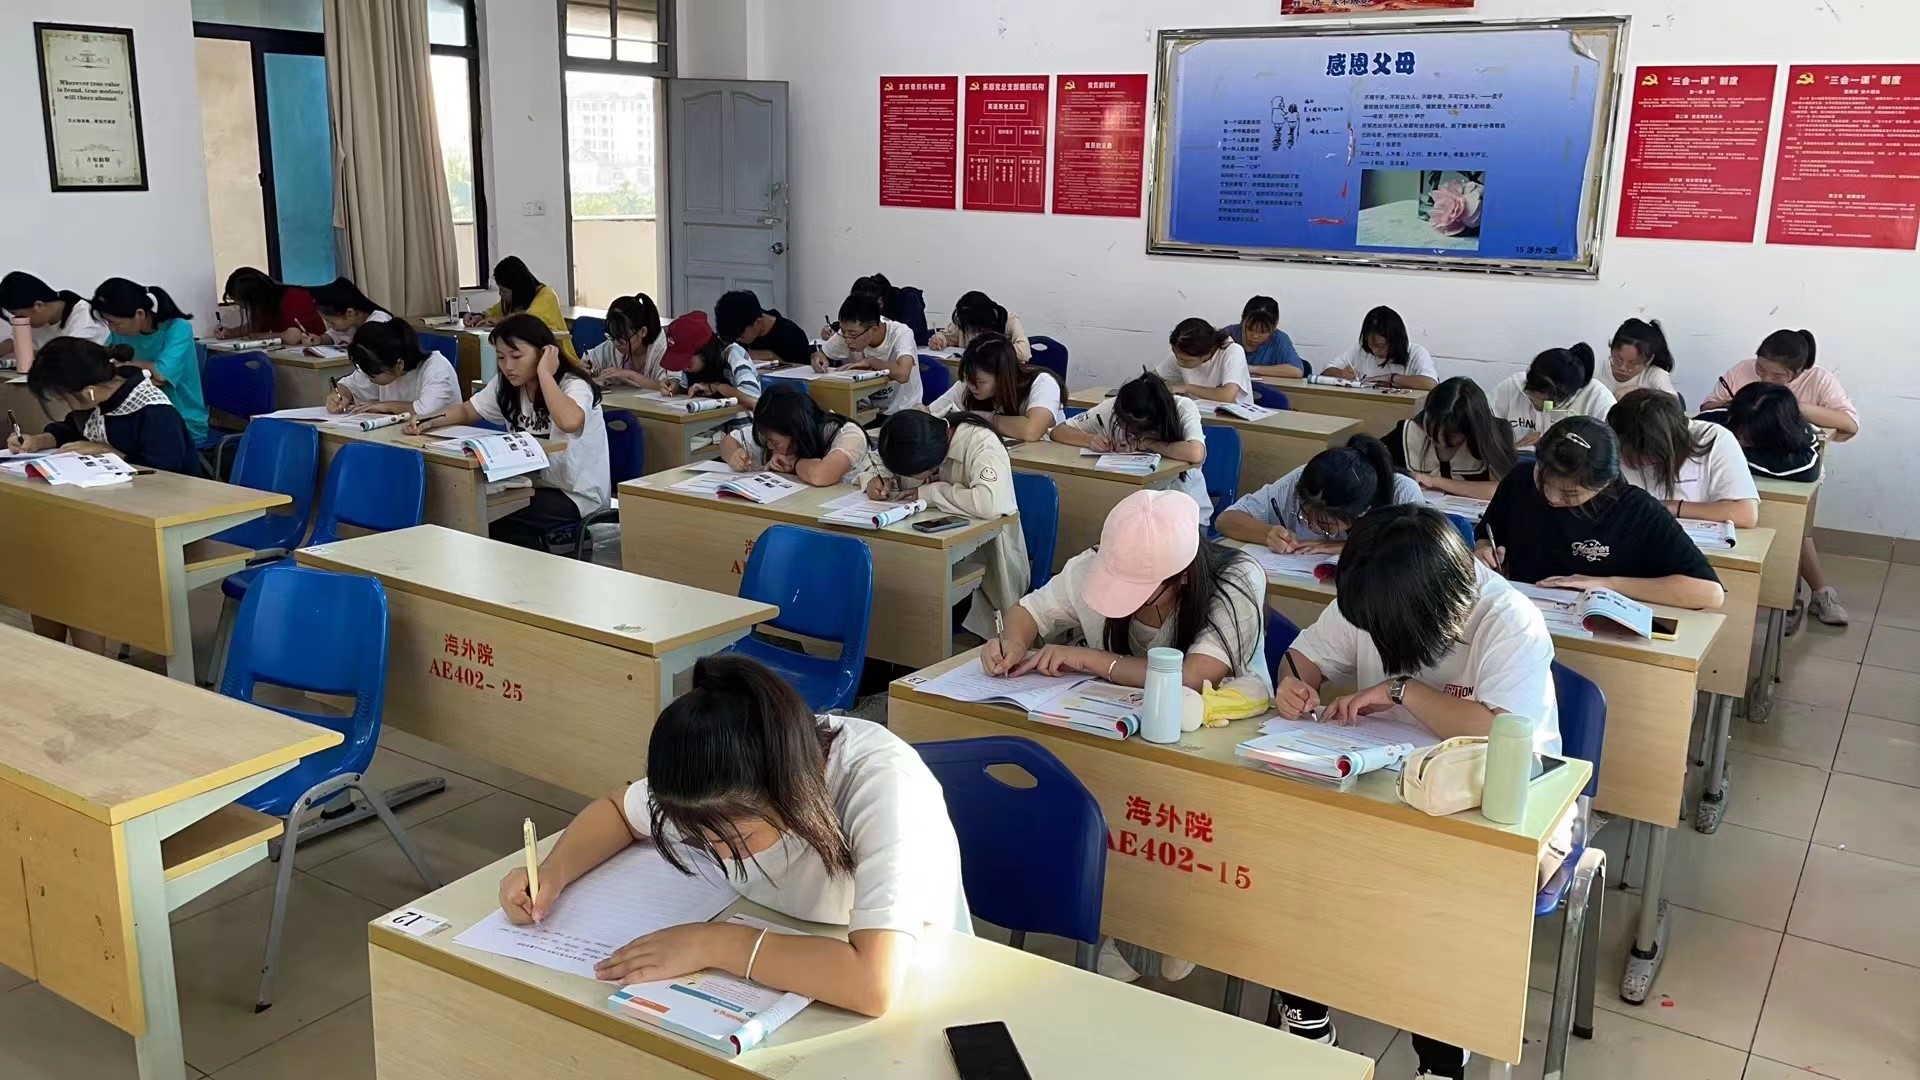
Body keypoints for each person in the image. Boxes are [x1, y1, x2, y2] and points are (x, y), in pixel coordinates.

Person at [497, 653, 968, 1018]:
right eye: (700, 841)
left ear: (789, 791)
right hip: (785, 944)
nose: (720, 855)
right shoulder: (711, 782)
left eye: (737, 840)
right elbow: (618, 810)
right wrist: (554, 872)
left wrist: (712, 944)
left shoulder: (882, 785)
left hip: (914, 977)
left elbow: (873, 984)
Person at [1269, 509, 1564, 1079]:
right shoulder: (1377, 588)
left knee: (1438, 889)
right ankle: (1305, 1008)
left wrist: (1402, 690)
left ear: (1429, 607)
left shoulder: (1508, 620)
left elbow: (1499, 732)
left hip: (1495, 800)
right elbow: (1303, 658)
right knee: (1294, 846)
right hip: (1386, 780)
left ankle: (1441, 1054)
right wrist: (1293, 683)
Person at [983, 488, 1268, 985]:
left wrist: (1090, 659)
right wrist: (1010, 641)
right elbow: (1030, 612)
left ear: (1182, 576)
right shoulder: (1090, 566)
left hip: (1209, 744)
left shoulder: (1237, 579)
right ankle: (1125, 916)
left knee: (1161, 833)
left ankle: (1161, 924)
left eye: (1141, 591)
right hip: (1117, 735)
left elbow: (1195, 675)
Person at [10, 337, 202, 654]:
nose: (64, 405)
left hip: (165, 522)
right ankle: (52, 654)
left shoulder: (153, 411)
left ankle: (88, 661)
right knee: (46, 558)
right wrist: (36, 441)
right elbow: (69, 429)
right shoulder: (98, 402)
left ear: (86, 392)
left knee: (75, 566)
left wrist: (108, 452)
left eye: (62, 397)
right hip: (115, 510)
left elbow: (165, 477)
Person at [1477, 417, 1724, 610]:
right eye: (1543, 482)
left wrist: (1608, 584)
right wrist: (1485, 552)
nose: (1552, 497)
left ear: (1603, 484)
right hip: (1521, 614)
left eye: (1570, 494)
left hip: (1597, 632)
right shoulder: (1519, 480)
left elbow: (1709, 593)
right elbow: (1486, 535)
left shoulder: (1636, 510)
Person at [406, 314, 608, 549]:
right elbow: (467, 411)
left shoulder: (573, 384)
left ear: (544, 353)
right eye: (501, 357)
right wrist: (430, 420)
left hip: (575, 494)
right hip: (528, 485)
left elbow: (569, 421)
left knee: (495, 518)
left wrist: (545, 374)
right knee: (469, 506)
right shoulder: (507, 385)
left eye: (516, 356)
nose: (508, 366)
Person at [1700, 329, 1857, 624]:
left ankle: (1814, 593)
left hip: (1786, 462)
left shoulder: (1819, 379)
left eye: (1777, 375)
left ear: (1798, 372)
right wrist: (1746, 408)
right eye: (1761, 369)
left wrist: (1788, 407)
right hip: (1744, 458)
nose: (1764, 377)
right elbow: (1708, 408)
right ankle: (1759, 594)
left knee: (1789, 525)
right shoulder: (1743, 370)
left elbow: (1849, 425)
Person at [869, 410, 1029, 638]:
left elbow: (989, 503)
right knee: (891, 585)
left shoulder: (982, 443)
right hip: (930, 548)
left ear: (932, 463)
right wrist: (876, 480)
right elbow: (875, 460)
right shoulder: (926, 433)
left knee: (916, 598)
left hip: (986, 558)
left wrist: (932, 493)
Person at [1215, 434, 1422, 555]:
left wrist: (1345, 547)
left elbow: (1418, 553)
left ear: (1360, 512)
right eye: (1305, 514)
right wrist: (1267, 533)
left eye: (1325, 525)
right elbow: (1226, 520)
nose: (1313, 527)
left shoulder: (1402, 493)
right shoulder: (1304, 481)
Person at [1049, 371, 1209, 513]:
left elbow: (1195, 453)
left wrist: (1147, 444)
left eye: (1137, 429)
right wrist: (1090, 440)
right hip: (1127, 504)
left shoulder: (1181, 407)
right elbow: (1059, 431)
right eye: (1122, 423)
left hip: (1182, 507)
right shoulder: (1114, 407)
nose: (1128, 431)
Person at [1608, 389, 1759, 527]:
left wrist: (1669, 507)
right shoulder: (1616, 439)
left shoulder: (1714, 438)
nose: (1639, 462)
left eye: (1646, 454)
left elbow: (1745, 513)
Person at [92, 278, 207, 446]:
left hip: (180, 420)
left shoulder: (178, 328)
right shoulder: (120, 333)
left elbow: (161, 374)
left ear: (139, 314)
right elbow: (103, 361)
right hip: (137, 416)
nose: (111, 328)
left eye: (115, 323)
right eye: (108, 322)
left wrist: (125, 366)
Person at [1388, 376, 1516, 500]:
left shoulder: (1496, 435)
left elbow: (1503, 489)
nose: (1439, 437)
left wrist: (1435, 481)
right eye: (1433, 426)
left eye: (1451, 434)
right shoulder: (1407, 433)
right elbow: (1380, 466)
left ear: (1471, 429)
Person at [719, 383, 869, 485]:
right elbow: (728, 441)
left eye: (775, 442)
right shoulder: (772, 434)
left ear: (797, 433)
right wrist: (734, 454)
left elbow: (821, 475)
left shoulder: (847, 434)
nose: (769, 446)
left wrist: (794, 464)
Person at [925, 332, 1063, 442]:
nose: (972, 386)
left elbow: (1032, 431)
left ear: (1002, 376)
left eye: (980, 382)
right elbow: (930, 414)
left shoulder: (1042, 383)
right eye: (967, 378)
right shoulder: (967, 385)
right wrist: (921, 412)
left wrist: (983, 418)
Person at [814, 291, 921, 417]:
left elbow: (903, 374)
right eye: (843, 332)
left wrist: (871, 362)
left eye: (852, 335)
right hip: (867, 412)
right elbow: (822, 353)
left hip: (902, 413)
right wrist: (817, 359)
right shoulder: (849, 333)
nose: (847, 340)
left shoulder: (901, 334)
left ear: (873, 330)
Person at [326, 319, 462, 417]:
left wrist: (385, 407)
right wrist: (340, 395)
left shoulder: (436, 368)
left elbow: (426, 411)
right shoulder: (383, 366)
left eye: (371, 373)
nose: (368, 377)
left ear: (399, 365)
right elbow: (348, 386)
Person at [1490, 342, 1615, 448]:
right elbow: (1485, 427)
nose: (1537, 406)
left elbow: (1608, 453)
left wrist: (1551, 446)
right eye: (1531, 397)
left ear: (1569, 396)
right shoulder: (1513, 387)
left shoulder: (1598, 400)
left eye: (1545, 404)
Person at [1698, 382, 1822, 483]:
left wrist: (1725, 454)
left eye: (1750, 437)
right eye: (1738, 430)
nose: (1740, 439)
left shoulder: (1798, 441)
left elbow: (1809, 468)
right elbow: (1689, 435)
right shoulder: (1716, 419)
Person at [470, 256, 578, 360]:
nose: (500, 294)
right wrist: (479, 317)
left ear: (517, 288)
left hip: (559, 359)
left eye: (504, 291)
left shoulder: (546, 295)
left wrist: (500, 320)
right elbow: (492, 312)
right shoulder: (512, 302)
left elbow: (527, 320)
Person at [0, 271, 111, 360]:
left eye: (19, 315)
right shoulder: (39, 319)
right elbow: (14, 342)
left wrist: (29, 355)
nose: (18, 320)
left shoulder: (85, 317)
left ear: (38, 306)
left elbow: (69, 356)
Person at [1322, 306, 1437, 389]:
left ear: (1395, 341)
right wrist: (1341, 374)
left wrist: (1391, 378)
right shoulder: (1360, 350)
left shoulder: (1416, 353)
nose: (1375, 351)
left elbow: (1431, 384)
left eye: (1380, 346)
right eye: (1371, 345)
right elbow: (1326, 371)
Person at [676, 330, 763, 437]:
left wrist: (717, 387)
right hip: (713, 431)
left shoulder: (732, 353)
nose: (684, 365)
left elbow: (753, 399)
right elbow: (684, 387)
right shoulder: (692, 368)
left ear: (703, 350)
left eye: (687, 358)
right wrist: (675, 386)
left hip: (744, 434)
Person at [1153, 317, 1254, 405]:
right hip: (1200, 415)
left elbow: (1227, 396)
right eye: (1175, 355)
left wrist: (1186, 388)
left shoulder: (1232, 352)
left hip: (1235, 418)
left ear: (1207, 354)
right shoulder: (1181, 353)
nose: (1178, 362)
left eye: (1185, 360)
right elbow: (1153, 377)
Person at [585, 294, 671, 389]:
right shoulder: (613, 345)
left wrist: (629, 375)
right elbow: (589, 361)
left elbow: (666, 387)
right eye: (613, 336)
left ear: (642, 331)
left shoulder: (662, 348)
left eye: (623, 337)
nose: (616, 343)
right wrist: (582, 368)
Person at [218, 267, 324, 341]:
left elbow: (294, 336)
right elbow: (257, 328)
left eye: (246, 305)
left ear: (255, 297)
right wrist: (230, 332)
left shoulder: (295, 299)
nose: (245, 309)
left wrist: (261, 336)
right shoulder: (266, 305)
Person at [715, 289, 812, 369]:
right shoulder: (735, 330)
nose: (737, 340)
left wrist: (774, 358)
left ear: (757, 322)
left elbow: (805, 375)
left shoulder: (792, 336)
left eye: (740, 336)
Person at [928, 290, 1031, 361]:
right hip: (970, 373)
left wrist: (991, 351)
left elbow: (1024, 352)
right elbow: (947, 336)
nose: (972, 332)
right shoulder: (965, 320)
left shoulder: (1010, 321)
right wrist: (939, 340)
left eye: (975, 329)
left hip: (1003, 375)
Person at [291, 277, 392, 347]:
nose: (332, 327)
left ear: (350, 313)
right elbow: (332, 335)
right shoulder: (351, 323)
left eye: (332, 323)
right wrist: (319, 339)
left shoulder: (380, 322)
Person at [1226, 295, 1306, 379]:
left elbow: (1297, 371)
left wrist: (1251, 369)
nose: (1255, 336)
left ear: (1274, 326)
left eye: (1263, 332)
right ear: (1242, 321)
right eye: (1250, 329)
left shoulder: (1279, 339)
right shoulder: (1230, 333)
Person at [1603, 318, 1678, 400]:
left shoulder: (1654, 375)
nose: (1622, 368)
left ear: (1648, 360)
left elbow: (1673, 402)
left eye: (1632, 364)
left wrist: (1641, 392)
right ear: (1611, 350)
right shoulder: (1600, 368)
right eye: (1617, 360)